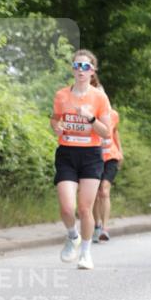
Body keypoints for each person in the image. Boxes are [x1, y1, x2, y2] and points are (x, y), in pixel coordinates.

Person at [50, 50, 111, 270]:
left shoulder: (99, 97)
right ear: (72, 69)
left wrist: (90, 118)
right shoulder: (62, 96)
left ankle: (85, 253)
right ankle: (72, 235)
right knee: (67, 208)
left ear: (92, 71)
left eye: (86, 67)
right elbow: (55, 120)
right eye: (77, 66)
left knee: (85, 209)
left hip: (91, 156)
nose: (81, 70)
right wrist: (58, 127)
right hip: (67, 154)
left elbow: (106, 132)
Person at [92, 82, 123, 242]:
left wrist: (121, 151)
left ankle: (105, 228)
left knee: (104, 190)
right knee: (95, 195)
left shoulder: (113, 114)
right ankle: (96, 226)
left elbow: (115, 132)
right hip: (94, 157)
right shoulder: (90, 115)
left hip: (111, 156)